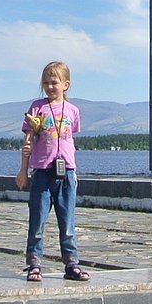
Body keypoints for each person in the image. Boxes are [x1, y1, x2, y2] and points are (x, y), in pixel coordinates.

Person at [15, 60, 90, 282]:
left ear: (65, 84)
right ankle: (34, 264)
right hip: (42, 171)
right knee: (37, 221)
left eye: (54, 82)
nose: (50, 87)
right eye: (46, 83)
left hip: (66, 172)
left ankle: (71, 264)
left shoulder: (73, 111)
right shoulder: (37, 108)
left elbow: (71, 135)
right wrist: (23, 171)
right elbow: (28, 142)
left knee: (67, 222)